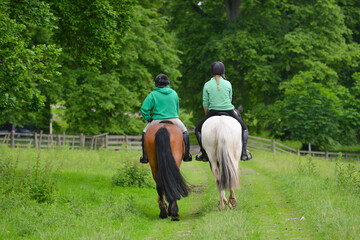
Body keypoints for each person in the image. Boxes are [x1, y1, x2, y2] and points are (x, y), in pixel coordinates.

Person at [195, 61, 252, 162]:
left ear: (212, 72)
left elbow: (205, 103)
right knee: (244, 129)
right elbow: (229, 99)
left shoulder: (207, 85)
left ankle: (203, 153)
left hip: (213, 112)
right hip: (229, 111)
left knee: (197, 130)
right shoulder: (228, 83)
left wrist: (207, 114)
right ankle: (243, 153)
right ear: (223, 72)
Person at [140, 74, 192, 163]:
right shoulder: (174, 93)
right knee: (185, 132)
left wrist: (148, 118)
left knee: (145, 133)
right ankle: (187, 155)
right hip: (174, 119)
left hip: (157, 120)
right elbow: (177, 109)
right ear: (167, 83)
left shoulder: (153, 94)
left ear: (156, 84)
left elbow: (144, 109)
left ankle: (145, 157)